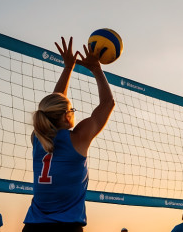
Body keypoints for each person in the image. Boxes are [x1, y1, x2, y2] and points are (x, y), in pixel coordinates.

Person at [22, 37, 115, 232]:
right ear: (66, 116)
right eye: (72, 110)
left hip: (33, 227)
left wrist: (68, 67)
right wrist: (96, 69)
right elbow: (108, 104)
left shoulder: (38, 138)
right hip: (67, 227)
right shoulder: (78, 138)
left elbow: (53, 106)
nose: (73, 112)